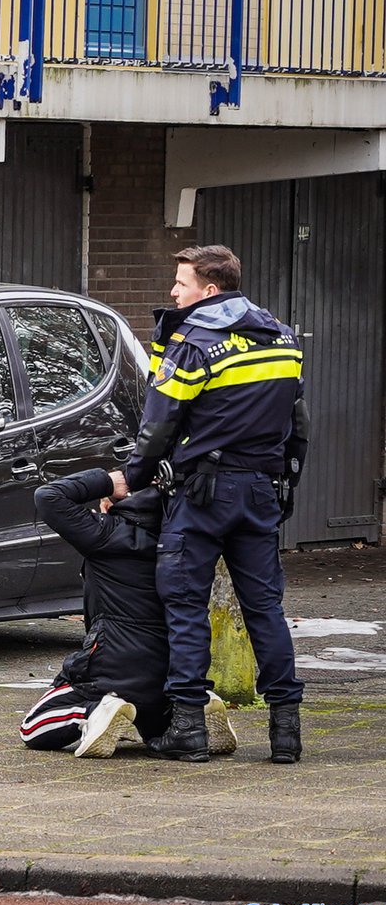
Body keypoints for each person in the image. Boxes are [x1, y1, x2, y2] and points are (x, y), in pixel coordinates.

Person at [112, 244, 307, 764]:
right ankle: (286, 732)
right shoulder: (282, 337)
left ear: (210, 289)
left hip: (201, 495)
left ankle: (189, 729)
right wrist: (286, 482)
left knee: (185, 607)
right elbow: (298, 419)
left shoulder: (194, 343)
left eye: (181, 284)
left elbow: (159, 423)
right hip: (260, 491)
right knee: (265, 608)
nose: (173, 292)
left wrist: (132, 478)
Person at [22, 469, 236, 758]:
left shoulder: (104, 533)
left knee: (34, 727)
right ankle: (193, 710)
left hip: (111, 670)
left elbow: (48, 496)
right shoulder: (188, 542)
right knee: (155, 733)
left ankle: (93, 710)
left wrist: (109, 480)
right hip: (171, 676)